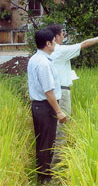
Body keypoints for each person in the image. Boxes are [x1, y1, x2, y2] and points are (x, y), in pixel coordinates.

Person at [45, 24, 98, 162]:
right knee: (61, 128)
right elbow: (83, 44)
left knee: (53, 128)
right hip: (62, 92)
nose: (64, 37)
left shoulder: (46, 52)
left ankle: (48, 164)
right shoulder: (60, 50)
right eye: (62, 34)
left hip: (53, 92)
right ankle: (56, 166)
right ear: (56, 37)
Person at [27, 28, 67, 184]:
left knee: (42, 141)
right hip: (45, 106)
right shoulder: (44, 63)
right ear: (48, 43)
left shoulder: (34, 59)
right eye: (53, 41)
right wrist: (59, 111)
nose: (56, 43)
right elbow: (48, 91)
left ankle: (42, 175)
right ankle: (45, 178)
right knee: (47, 143)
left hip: (38, 106)